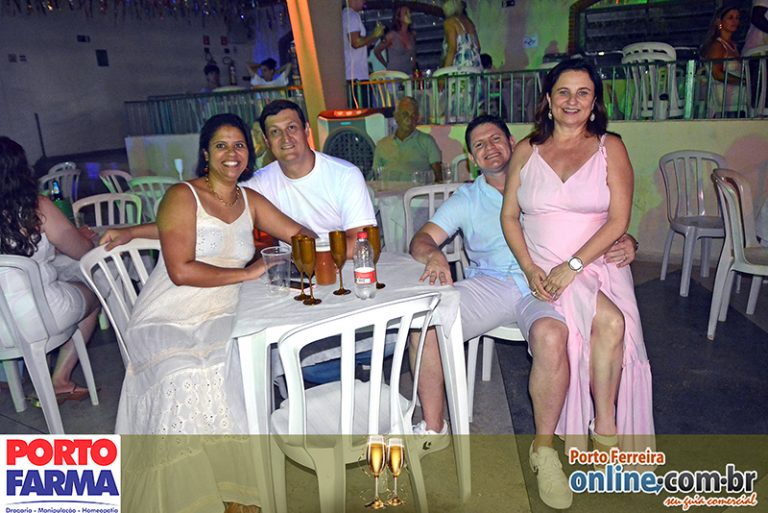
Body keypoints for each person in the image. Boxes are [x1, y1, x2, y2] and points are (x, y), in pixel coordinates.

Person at [410, 115, 638, 509]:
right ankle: (434, 427)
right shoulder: (467, 198)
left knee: (552, 335)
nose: (490, 148)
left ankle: (543, 451)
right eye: (479, 145)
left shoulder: (541, 176)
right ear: (471, 158)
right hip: (493, 284)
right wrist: (433, 255)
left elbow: (593, 215)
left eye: (496, 139)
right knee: (425, 324)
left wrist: (628, 239)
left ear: (513, 142)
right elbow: (422, 238)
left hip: (548, 285)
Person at [115, 113, 313, 511]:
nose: (231, 153)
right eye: (221, 145)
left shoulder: (249, 200)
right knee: (184, 372)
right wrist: (250, 271)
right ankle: (189, 495)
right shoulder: (182, 195)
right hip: (168, 310)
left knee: (232, 364)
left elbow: (301, 235)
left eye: (239, 145)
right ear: (205, 153)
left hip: (223, 305)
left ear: (249, 154)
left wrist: (301, 256)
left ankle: (237, 490)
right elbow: (181, 270)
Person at [500, 57, 654, 484]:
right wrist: (530, 268)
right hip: (543, 270)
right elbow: (509, 216)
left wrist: (573, 266)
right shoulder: (527, 150)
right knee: (608, 323)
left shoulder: (610, 147)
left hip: (594, 265)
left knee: (613, 322)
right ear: (548, 100)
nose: (573, 101)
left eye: (583, 92)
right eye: (563, 92)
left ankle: (604, 428)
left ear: (594, 101)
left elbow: (618, 220)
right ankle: (601, 433)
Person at [102, 100, 376, 258]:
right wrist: (132, 232)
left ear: (306, 131)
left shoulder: (344, 175)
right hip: (302, 273)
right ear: (266, 141)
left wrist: (318, 258)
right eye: (275, 132)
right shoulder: (258, 185)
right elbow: (194, 220)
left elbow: (365, 243)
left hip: (347, 268)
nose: (286, 138)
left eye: (292, 128)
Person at [0, 136, 100, 403]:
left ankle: (29, 378)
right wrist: (81, 237)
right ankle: (60, 379)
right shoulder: (36, 207)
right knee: (94, 293)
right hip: (40, 315)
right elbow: (81, 251)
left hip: (2, 325)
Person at [373, 96, 443, 183]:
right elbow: (376, 176)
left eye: (413, 115)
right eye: (405, 114)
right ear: (396, 116)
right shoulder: (382, 144)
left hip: (417, 191)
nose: (409, 119)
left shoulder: (427, 141)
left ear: (418, 118)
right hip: (388, 191)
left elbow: (439, 177)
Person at [701, 6, 745, 117]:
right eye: (730, 18)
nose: (735, 21)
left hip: (738, 93)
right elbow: (717, 73)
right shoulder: (717, 45)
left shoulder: (733, 45)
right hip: (725, 95)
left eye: (737, 18)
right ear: (719, 22)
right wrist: (743, 82)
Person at [342, 0, 384, 82]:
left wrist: (375, 36)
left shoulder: (346, 14)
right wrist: (374, 34)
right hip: (356, 75)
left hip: (354, 74)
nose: (365, 1)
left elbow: (361, 44)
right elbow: (356, 43)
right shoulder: (352, 16)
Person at [373, 5, 417, 74]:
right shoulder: (392, 35)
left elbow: (413, 56)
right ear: (399, 17)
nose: (409, 15)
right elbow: (377, 51)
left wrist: (414, 70)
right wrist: (386, 65)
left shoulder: (412, 35)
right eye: (406, 13)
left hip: (408, 74)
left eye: (409, 12)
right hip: (394, 75)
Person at [441, 0, 481, 68]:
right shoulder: (469, 22)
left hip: (460, 67)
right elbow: (478, 47)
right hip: (476, 67)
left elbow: (452, 49)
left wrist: (445, 70)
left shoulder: (450, 23)